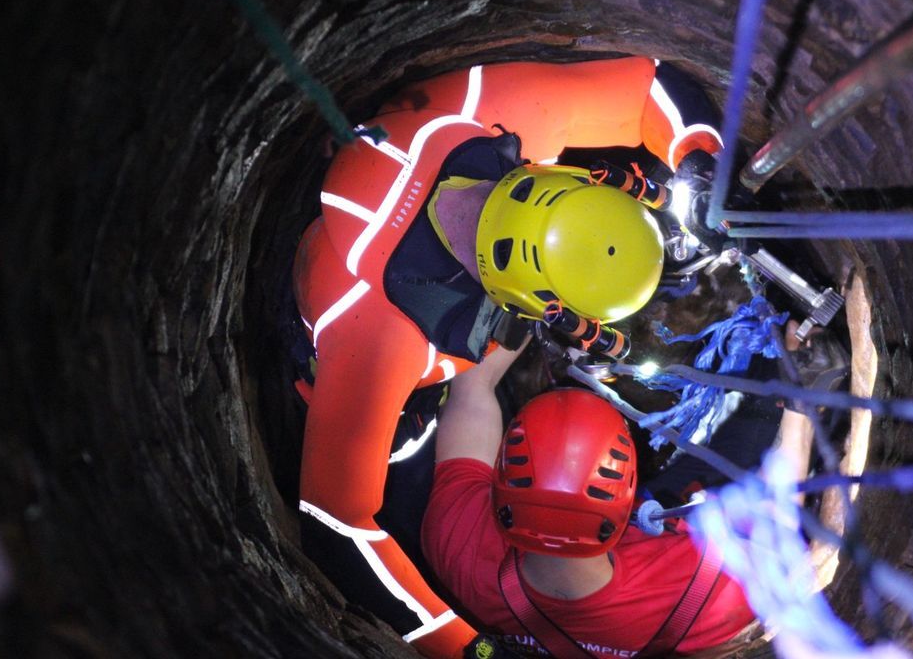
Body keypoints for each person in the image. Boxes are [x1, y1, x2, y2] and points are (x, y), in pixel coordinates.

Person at [291, 56, 723, 657]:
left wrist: (700, 166)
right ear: (525, 302)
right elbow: (336, 519)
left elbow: (648, 84)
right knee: (408, 449)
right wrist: (462, 647)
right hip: (366, 370)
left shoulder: (484, 113)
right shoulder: (376, 342)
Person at [421, 344, 766, 658]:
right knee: (739, 443)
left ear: (503, 484)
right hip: (675, 591)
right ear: (628, 501)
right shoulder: (716, 589)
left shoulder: (457, 542)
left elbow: (471, 392)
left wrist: (524, 301)